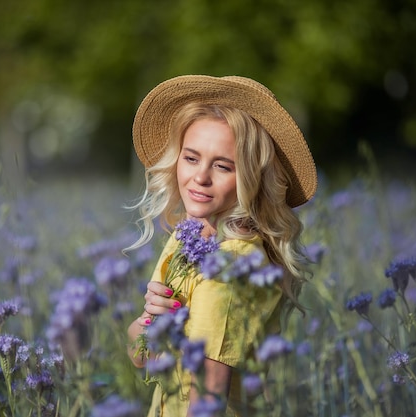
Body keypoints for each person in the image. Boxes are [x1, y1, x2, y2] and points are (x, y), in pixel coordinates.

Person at [125, 75, 317, 417]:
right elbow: (141, 357)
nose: (200, 177)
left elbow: (208, 398)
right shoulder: (185, 239)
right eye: (191, 158)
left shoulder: (232, 264)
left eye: (222, 166)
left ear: (251, 177)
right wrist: (148, 322)